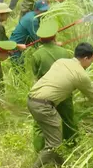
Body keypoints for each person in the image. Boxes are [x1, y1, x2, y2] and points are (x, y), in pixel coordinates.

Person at [27, 42, 93, 168]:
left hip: (32, 99)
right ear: (86, 58)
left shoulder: (61, 61)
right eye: (91, 60)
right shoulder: (81, 75)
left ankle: (59, 163)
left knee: (54, 134)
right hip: (43, 105)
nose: (91, 63)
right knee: (54, 142)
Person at [29, 21, 76, 152]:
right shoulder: (64, 52)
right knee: (68, 118)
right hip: (63, 91)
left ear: (40, 39)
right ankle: (72, 145)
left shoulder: (36, 55)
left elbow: (36, 75)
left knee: (39, 124)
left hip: (44, 95)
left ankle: (39, 150)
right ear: (55, 36)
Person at [9, 0, 49, 64]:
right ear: (37, 10)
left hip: (19, 44)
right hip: (16, 46)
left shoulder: (31, 14)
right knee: (19, 69)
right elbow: (37, 38)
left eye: (46, 10)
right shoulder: (33, 20)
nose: (45, 12)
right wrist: (51, 44)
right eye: (43, 11)